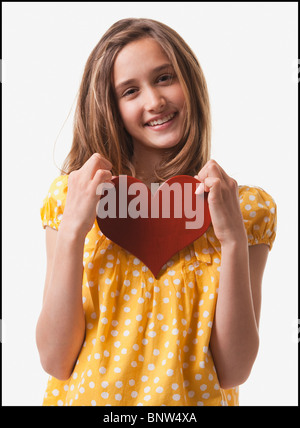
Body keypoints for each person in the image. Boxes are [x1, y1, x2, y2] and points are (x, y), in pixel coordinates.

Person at [36, 18, 277, 406]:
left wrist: (232, 239)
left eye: (164, 78)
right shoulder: (72, 198)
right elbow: (54, 360)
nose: (154, 101)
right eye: (130, 91)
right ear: (109, 106)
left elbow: (234, 370)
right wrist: (73, 231)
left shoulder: (244, 209)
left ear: (189, 81)